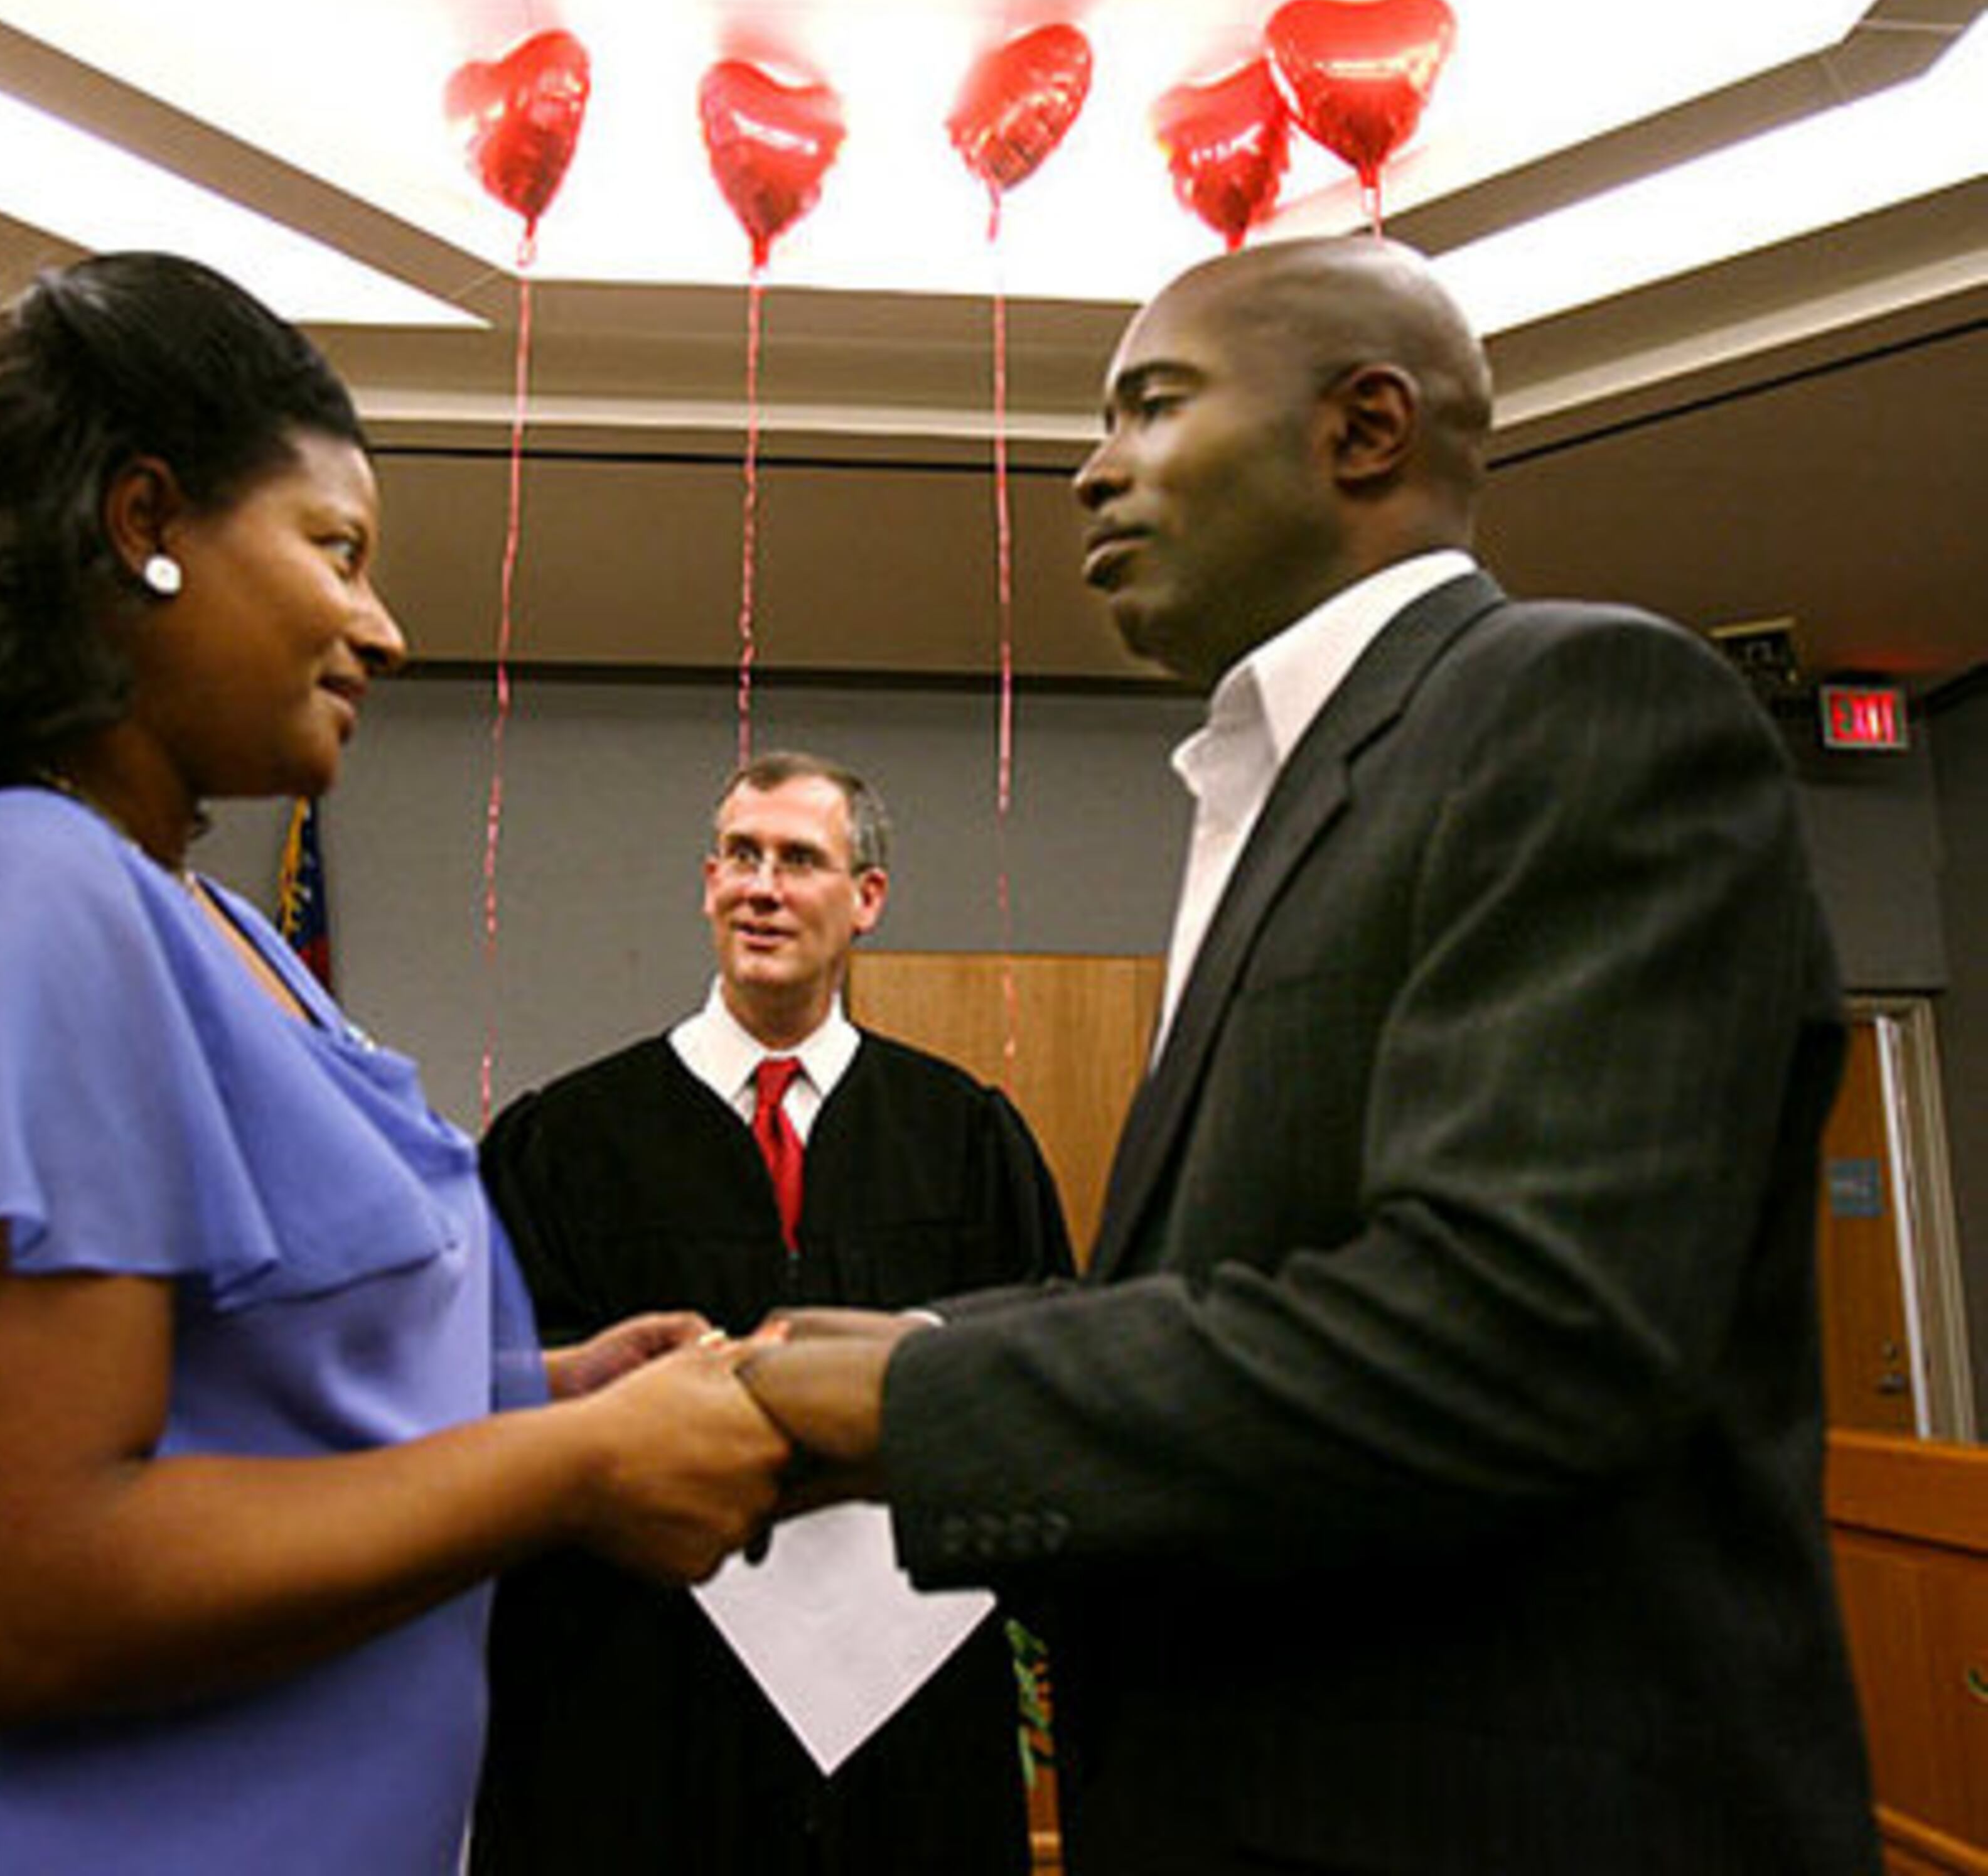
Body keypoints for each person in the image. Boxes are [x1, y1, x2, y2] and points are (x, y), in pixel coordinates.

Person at [0, 252, 787, 1875]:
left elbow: (230, 1391)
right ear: (145, 525)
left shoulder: (214, 922)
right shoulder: (3, 885)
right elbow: (19, 1597)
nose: (386, 629)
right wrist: (563, 1466)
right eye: (337, 551)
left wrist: (545, 1392)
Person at [738, 237, 1883, 1874]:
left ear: (1363, 431)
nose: (1088, 470)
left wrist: (912, 1399)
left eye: (1150, 407)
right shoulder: (1278, 790)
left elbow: (1517, 1327)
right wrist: (913, 1338)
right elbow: (1257, 1276)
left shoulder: (1584, 705)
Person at [470, 750, 1072, 1876]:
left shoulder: (966, 1139)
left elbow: (1038, 1382)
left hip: (906, 1719)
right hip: (642, 1704)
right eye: (740, 857)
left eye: (801, 860)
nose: (763, 887)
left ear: (867, 901)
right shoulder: (568, 1140)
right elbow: (495, 1387)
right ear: (707, 884)